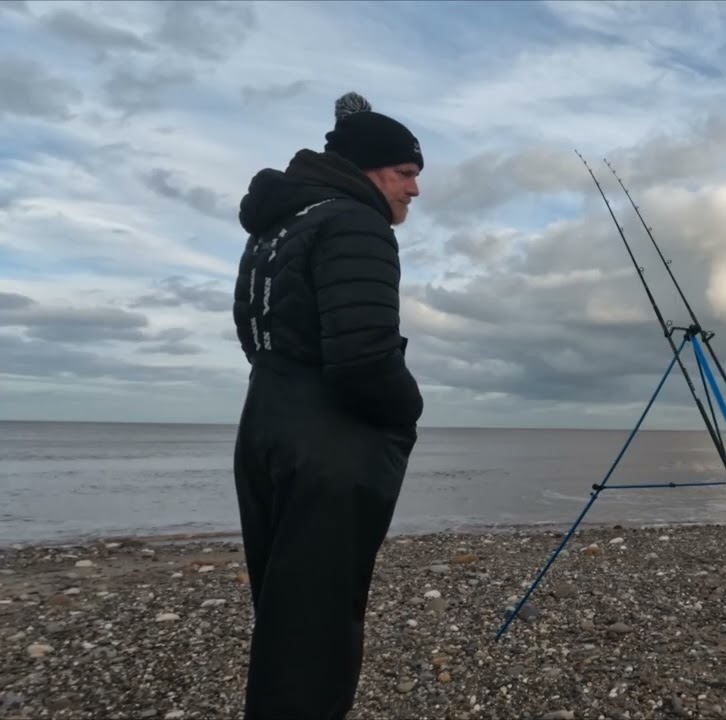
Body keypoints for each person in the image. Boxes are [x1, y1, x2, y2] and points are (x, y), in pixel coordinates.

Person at [230, 91, 425, 719]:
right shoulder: (352, 221)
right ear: (371, 169)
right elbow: (364, 357)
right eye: (406, 173)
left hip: (265, 425)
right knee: (317, 626)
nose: (414, 190)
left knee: (285, 616)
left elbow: (253, 334)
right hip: (326, 445)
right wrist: (407, 412)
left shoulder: (278, 224)